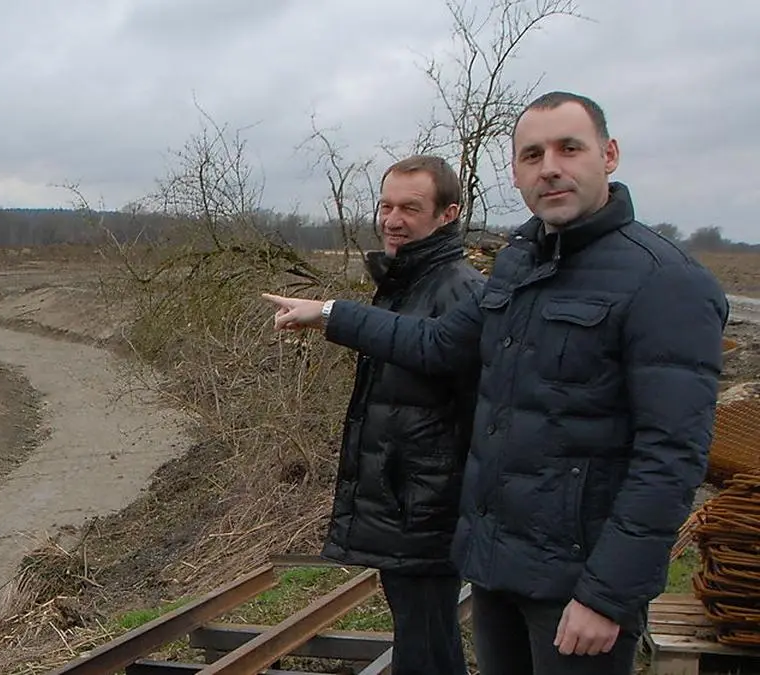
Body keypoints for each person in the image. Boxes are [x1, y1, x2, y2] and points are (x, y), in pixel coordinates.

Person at [262, 91, 729, 675]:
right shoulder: (519, 264)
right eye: (531, 155)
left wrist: (607, 594)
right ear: (515, 172)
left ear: (608, 155)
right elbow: (433, 345)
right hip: (496, 568)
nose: (550, 166)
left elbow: (671, 457)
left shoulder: (666, 282)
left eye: (569, 148)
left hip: (577, 586)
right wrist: (329, 312)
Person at [319, 155, 483, 675]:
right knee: (424, 638)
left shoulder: (456, 289)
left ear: (447, 214)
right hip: (407, 501)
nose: (392, 219)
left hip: (428, 505)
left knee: (426, 644)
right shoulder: (408, 281)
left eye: (410, 208)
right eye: (386, 205)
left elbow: (473, 410)